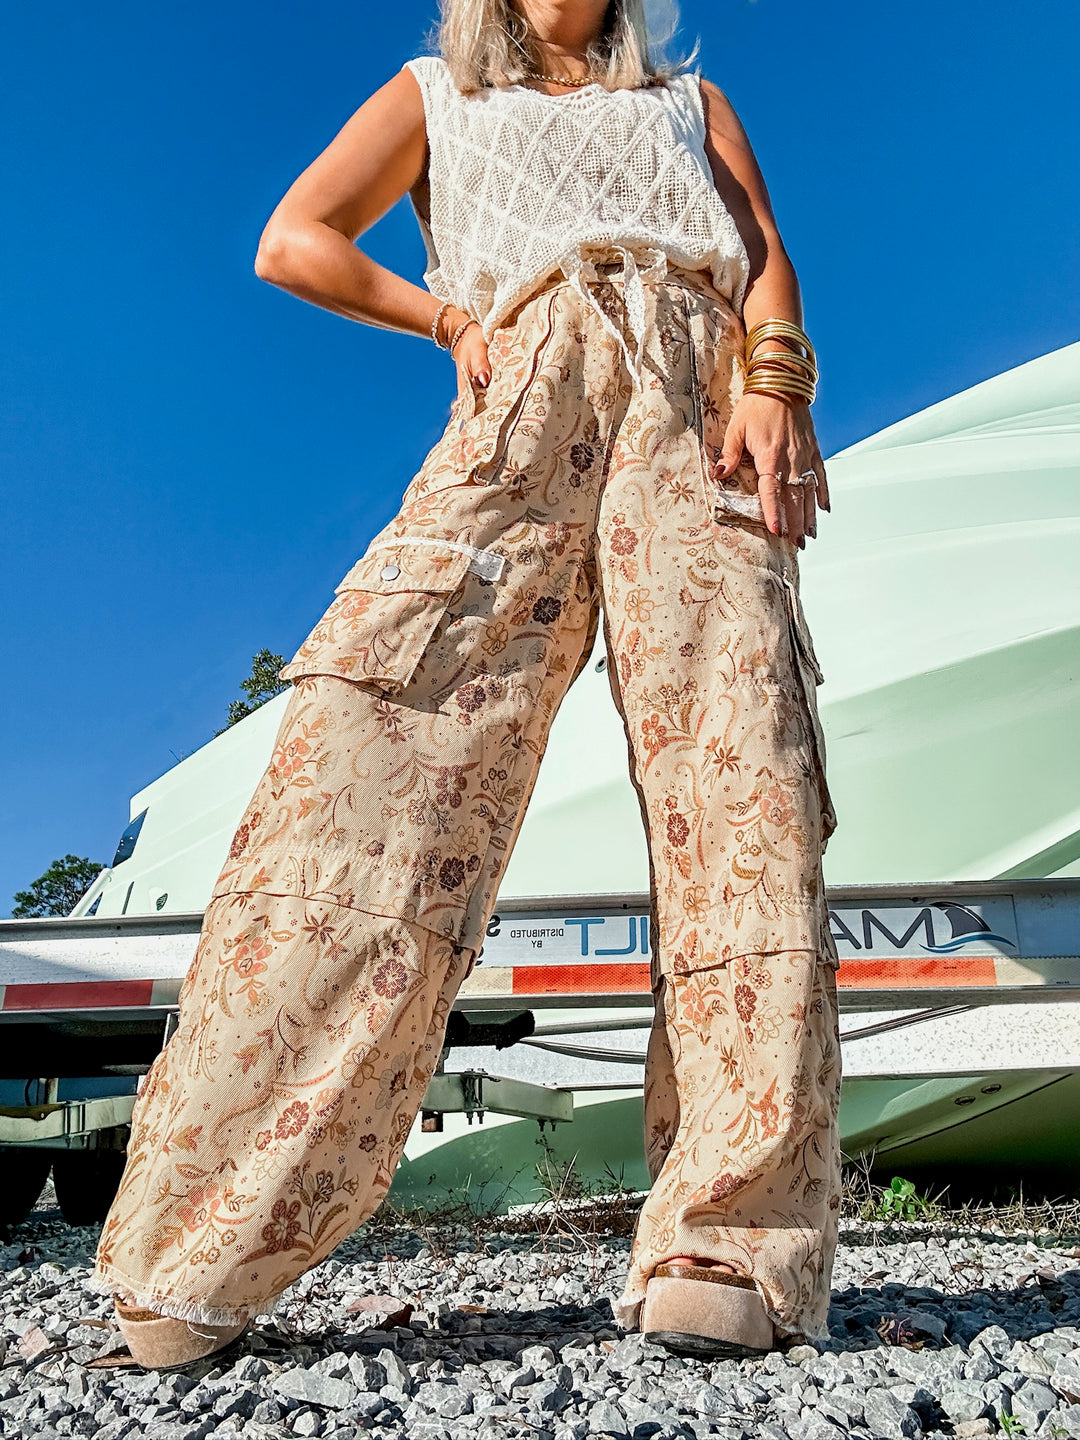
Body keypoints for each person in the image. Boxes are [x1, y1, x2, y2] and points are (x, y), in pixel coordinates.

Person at [90, 0, 842, 1371]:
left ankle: (728, 1241)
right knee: (367, 766)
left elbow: (764, 259)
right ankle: (199, 1241)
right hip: (524, 387)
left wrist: (776, 383)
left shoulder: (693, 103)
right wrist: (444, 318)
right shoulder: (434, 91)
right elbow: (295, 238)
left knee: (744, 782)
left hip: (701, 412)